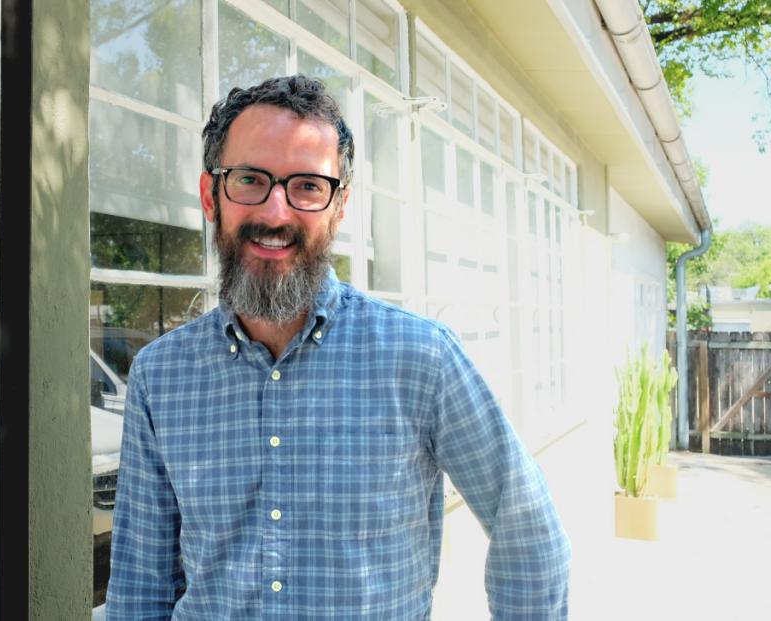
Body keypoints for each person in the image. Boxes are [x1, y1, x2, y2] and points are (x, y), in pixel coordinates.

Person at [105, 75, 570, 620]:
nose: (276, 214)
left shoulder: (421, 358)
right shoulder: (161, 376)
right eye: (251, 179)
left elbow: (527, 525)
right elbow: (142, 580)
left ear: (339, 208)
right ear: (211, 196)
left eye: (307, 186)